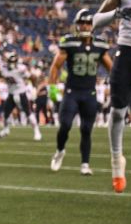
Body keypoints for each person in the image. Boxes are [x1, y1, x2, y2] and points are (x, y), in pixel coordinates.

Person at [93, 0, 131, 193]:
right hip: (129, 48)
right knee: (118, 109)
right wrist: (117, 15)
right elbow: (95, 22)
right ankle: (116, 159)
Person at [48, 10, 113, 176]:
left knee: (86, 129)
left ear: (92, 25)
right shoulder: (69, 42)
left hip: (89, 93)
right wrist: (52, 87)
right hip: (72, 91)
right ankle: (60, 151)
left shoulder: (100, 45)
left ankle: (85, 163)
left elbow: (111, 68)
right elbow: (56, 66)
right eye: (82, 23)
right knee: (65, 125)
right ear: (77, 25)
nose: (85, 26)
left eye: (88, 23)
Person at [2, 52, 41, 141]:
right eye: (10, 62)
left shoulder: (21, 68)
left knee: (28, 112)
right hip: (11, 94)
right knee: (6, 113)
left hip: (21, 93)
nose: (11, 64)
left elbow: (32, 77)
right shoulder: (4, 68)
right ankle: (6, 129)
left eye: (13, 62)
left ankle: (37, 131)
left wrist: (35, 87)